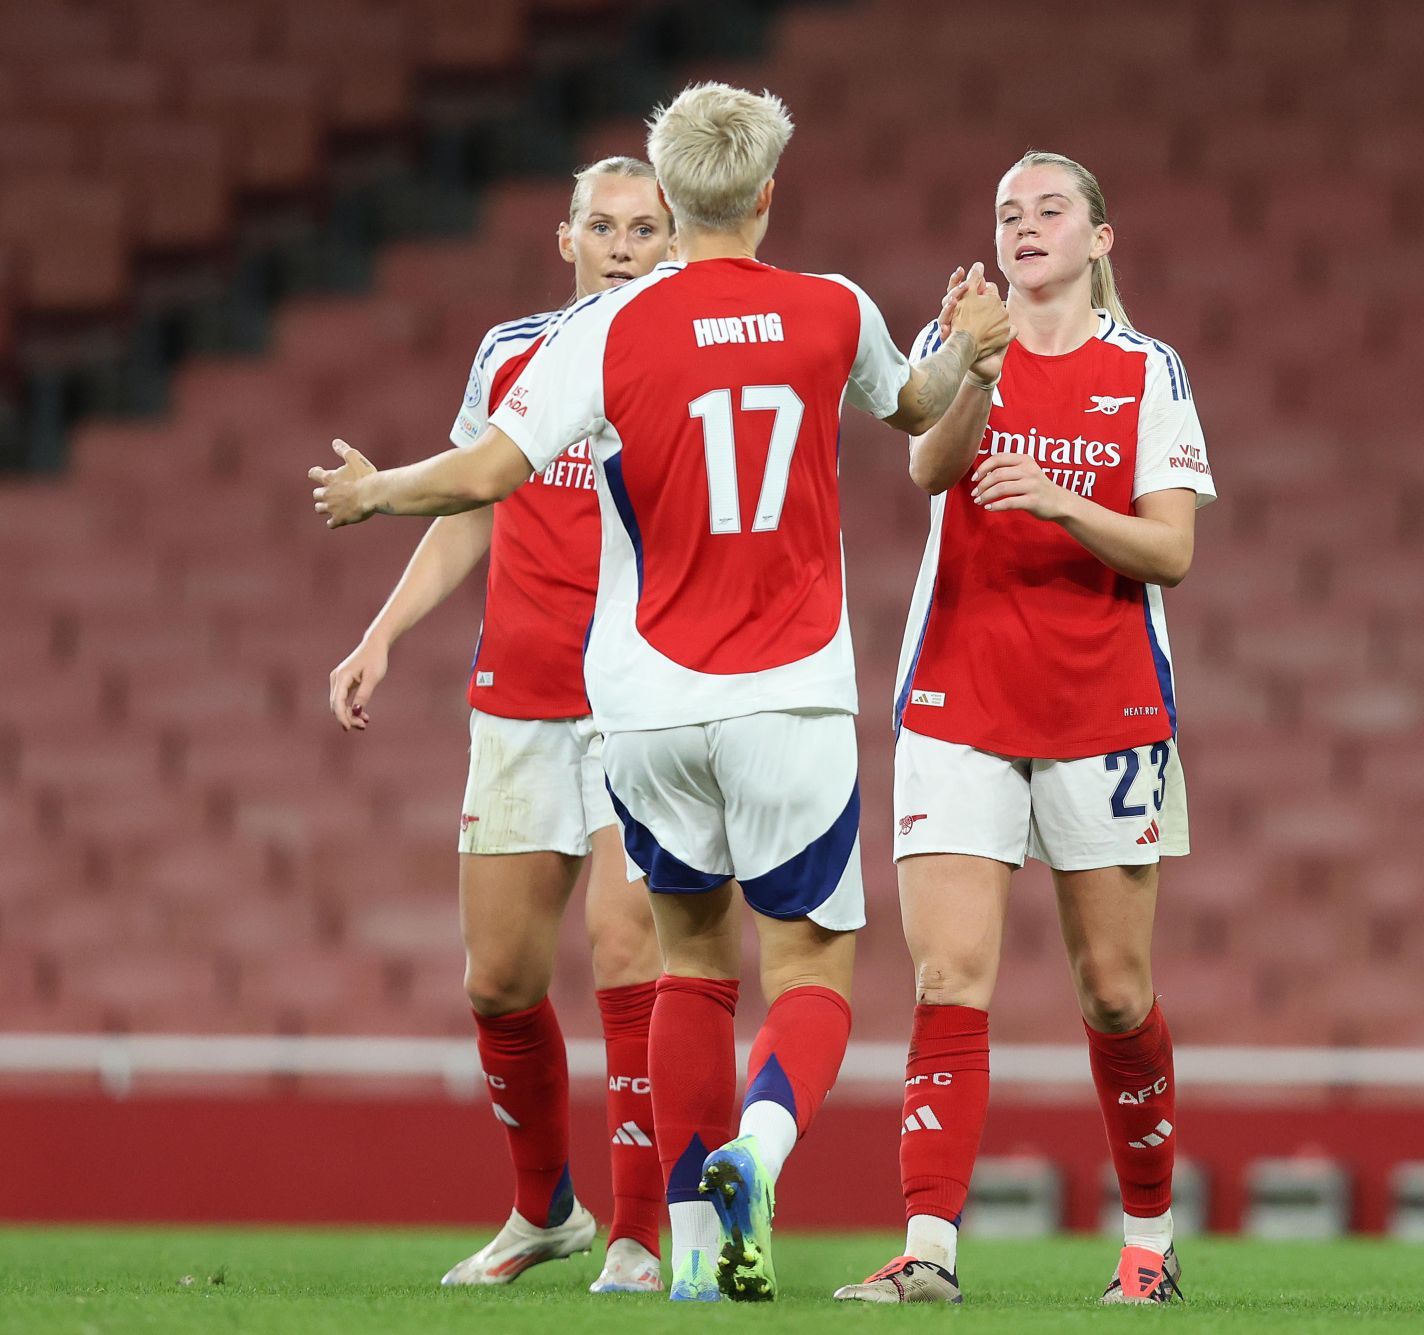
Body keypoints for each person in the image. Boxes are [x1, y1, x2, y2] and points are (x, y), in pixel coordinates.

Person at [308, 82, 1012, 1303]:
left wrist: (377, 493)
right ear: (769, 195)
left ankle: (684, 1255)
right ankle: (761, 1148)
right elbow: (919, 411)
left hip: (640, 703)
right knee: (811, 972)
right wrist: (973, 348)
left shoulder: (601, 333)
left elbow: (487, 469)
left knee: (689, 965)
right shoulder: (832, 308)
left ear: (673, 207)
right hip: (787, 697)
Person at [833, 151, 1215, 1307]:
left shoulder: (1147, 370)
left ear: (1101, 239)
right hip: (960, 694)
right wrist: (979, 369)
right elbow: (926, 470)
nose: (1026, 225)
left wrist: (1056, 499)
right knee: (951, 975)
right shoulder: (964, 342)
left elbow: (1173, 553)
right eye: (1008, 213)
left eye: (1052, 209)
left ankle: (1147, 1245)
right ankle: (929, 1250)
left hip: (1106, 708)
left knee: (1112, 989)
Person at [323, 156, 677, 1294]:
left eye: (645, 228)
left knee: (628, 956)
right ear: (563, 237)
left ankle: (636, 1233)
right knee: (499, 982)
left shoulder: (681, 353)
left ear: (675, 241)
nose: (622, 245)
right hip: (519, 696)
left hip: (638, 700)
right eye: (603, 226)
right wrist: (383, 633)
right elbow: (476, 498)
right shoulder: (510, 352)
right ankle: (546, 1212)